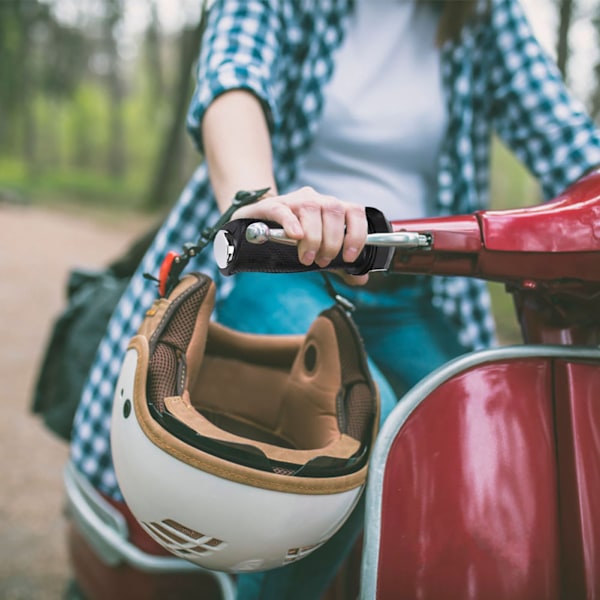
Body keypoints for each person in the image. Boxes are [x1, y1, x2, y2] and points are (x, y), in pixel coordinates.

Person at [70, 0, 600, 598]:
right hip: (280, 264)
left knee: (489, 446)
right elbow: (233, 78)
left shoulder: (480, 13)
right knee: (354, 432)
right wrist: (256, 198)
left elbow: (566, 138)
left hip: (418, 286)